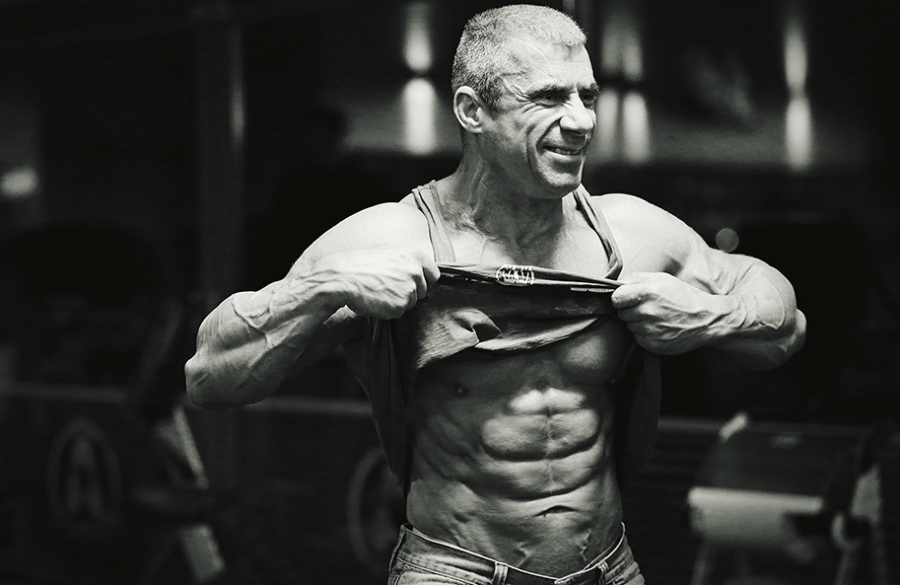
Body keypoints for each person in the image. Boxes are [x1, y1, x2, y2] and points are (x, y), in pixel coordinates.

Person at [185, 5, 806, 584]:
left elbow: (786, 324)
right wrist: (326, 287)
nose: (582, 121)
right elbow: (209, 377)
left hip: (607, 568)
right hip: (454, 569)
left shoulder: (630, 233)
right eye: (548, 97)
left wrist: (714, 317)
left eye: (587, 95)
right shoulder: (394, 236)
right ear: (471, 110)